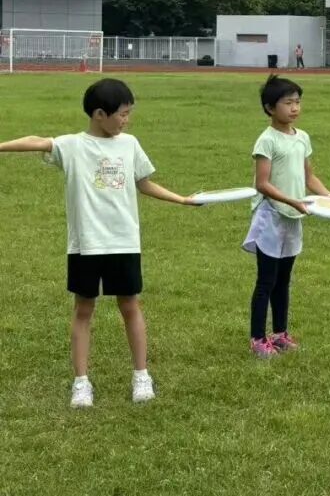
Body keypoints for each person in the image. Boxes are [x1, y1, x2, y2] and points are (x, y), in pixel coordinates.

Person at [0, 78, 198, 407]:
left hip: (124, 242)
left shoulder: (129, 144)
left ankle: (141, 375)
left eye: (129, 113)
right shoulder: (72, 146)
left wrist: (181, 199)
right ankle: (81, 383)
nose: (127, 120)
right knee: (83, 309)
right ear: (99, 114)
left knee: (130, 306)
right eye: (123, 114)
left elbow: (144, 183)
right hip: (87, 244)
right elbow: (37, 142)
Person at [245, 75, 330, 358]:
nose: (295, 108)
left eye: (297, 102)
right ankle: (258, 339)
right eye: (288, 103)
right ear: (270, 108)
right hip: (271, 216)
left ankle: (280, 335)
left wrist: (329, 196)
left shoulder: (302, 137)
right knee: (266, 281)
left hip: (292, 217)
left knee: (284, 280)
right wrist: (292, 201)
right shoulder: (267, 140)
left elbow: (309, 177)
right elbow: (263, 184)